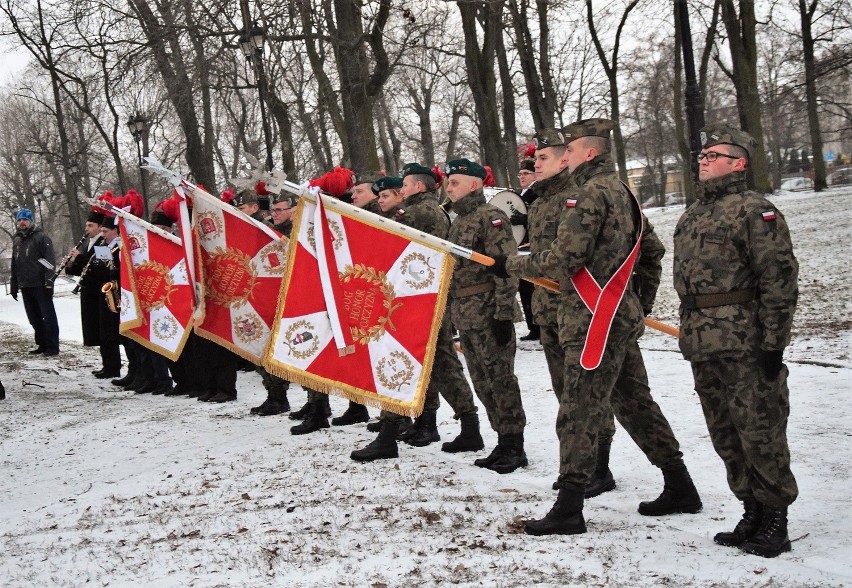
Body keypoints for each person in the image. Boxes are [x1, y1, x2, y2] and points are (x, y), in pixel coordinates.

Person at [490, 119, 700, 536]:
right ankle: (680, 484)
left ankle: (569, 505)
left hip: (592, 321)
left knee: (578, 409)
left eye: (568, 151)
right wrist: (636, 302)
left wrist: (510, 263)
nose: (562, 157)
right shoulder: (622, 191)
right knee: (635, 403)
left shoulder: (587, 194)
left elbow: (565, 259)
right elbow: (651, 251)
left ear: (588, 153)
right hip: (615, 314)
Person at [673, 124, 798, 558]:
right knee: (724, 432)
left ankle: (775, 517)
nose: (703, 160)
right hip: (703, 344)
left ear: (738, 162)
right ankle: (751, 510)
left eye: (713, 155)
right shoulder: (692, 214)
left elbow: (778, 279)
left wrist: (773, 343)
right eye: (701, 155)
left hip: (745, 343)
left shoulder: (754, 211)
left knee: (760, 431)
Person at [351, 163, 482, 462]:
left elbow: (379, 235)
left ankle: (390, 434)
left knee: (403, 359)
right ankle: (465, 424)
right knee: (440, 363)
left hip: (419, 298)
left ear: (418, 187)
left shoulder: (417, 212)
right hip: (426, 295)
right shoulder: (427, 210)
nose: (402, 190)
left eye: (405, 186)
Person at [444, 158, 527, 474]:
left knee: (501, 380)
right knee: (481, 381)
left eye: (454, 182)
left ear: (474, 184)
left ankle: (515, 445)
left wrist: (503, 313)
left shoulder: (490, 218)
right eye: (448, 183)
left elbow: (506, 267)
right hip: (465, 314)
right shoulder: (458, 221)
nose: (449, 188)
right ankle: (502, 440)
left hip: (489, 312)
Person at [250, 193, 297, 416]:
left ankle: (313, 402)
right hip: (268, 297)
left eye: (280, 210)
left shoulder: (298, 231)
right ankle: (275, 395)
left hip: (292, 299)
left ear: (292, 210)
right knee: (263, 349)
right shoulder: (268, 231)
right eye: (274, 210)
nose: (275, 214)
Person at [10, 208, 60, 356]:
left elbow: (49, 262)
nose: (22, 222)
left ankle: (52, 346)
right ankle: (42, 344)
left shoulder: (41, 238)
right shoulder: (17, 240)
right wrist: (14, 283)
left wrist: (48, 281)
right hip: (25, 284)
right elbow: (15, 263)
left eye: (24, 219)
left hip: (40, 284)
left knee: (47, 316)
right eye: (19, 220)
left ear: (31, 221)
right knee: (34, 318)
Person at [66, 207, 109, 375]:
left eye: (90, 226)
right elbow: (85, 268)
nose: (87, 229)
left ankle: (111, 366)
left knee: (104, 332)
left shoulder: (102, 243)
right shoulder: (90, 242)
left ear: (99, 227)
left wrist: (80, 257)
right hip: (89, 292)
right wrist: (71, 264)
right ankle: (106, 365)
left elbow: (103, 268)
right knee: (97, 331)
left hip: (99, 292)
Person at [514, 149, 540, 341]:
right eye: (520, 174)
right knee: (525, 288)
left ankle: (539, 327)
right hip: (521, 246)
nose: (521, 177)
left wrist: (524, 219)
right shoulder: (519, 195)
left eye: (525, 173)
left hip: (534, 246)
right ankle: (533, 326)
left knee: (534, 288)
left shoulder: (537, 193)